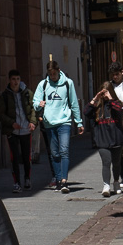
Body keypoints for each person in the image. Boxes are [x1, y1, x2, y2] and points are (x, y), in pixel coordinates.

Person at [33, 60, 84, 194]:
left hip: (64, 122)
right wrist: (39, 104)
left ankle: (64, 181)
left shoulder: (68, 83)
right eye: (50, 74)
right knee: (54, 153)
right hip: (49, 123)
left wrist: (78, 122)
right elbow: (35, 101)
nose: (52, 76)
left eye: (54, 73)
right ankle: (58, 179)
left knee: (64, 150)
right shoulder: (43, 84)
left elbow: (74, 103)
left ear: (58, 70)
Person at [0, 69, 38, 194]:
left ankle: (27, 179)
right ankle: (17, 183)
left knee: (26, 157)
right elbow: (0, 113)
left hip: (25, 130)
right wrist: (11, 123)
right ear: (9, 80)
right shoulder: (4, 96)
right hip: (12, 131)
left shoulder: (27, 93)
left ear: (20, 80)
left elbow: (33, 109)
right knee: (14, 158)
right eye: (13, 79)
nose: (15, 82)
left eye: (17, 79)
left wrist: (32, 122)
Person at [85, 82, 123, 197]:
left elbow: (120, 111)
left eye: (106, 92)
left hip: (116, 138)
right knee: (106, 162)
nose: (104, 96)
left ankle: (116, 182)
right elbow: (86, 112)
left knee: (116, 163)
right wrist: (95, 99)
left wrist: (110, 99)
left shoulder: (116, 104)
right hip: (102, 139)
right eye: (102, 93)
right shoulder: (97, 107)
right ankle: (106, 185)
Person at [108, 62, 123, 189]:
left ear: (122, 72)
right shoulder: (110, 85)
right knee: (118, 152)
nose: (115, 77)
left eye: (117, 74)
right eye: (113, 75)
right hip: (116, 121)